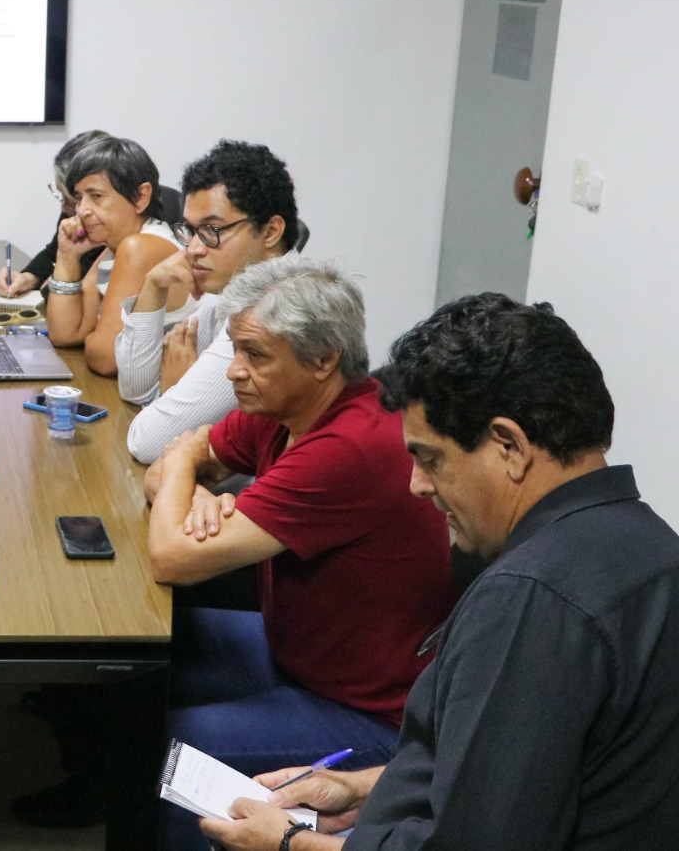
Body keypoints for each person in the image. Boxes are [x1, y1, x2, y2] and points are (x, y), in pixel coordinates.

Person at [203, 293, 679, 851]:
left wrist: (289, 844)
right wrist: (359, 790)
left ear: (509, 446)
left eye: (431, 459)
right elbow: (520, 779)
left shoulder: (530, 598)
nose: (418, 485)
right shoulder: (652, 549)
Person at [15, 256, 453, 840]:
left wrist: (183, 474)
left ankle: (141, 816)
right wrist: (191, 486)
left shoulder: (350, 445)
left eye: (255, 355)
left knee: (173, 742)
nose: (234, 372)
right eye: (237, 351)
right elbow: (164, 469)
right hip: (293, 650)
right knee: (128, 674)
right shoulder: (282, 409)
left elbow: (171, 549)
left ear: (323, 360)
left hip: (368, 711)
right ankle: (106, 793)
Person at [117, 139, 297, 463]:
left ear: (271, 231)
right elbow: (135, 391)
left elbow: (147, 444)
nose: (193, 249)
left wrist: (173, 389)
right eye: (190, 230)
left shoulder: (270, 311)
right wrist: (153, 285)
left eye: (212, 230)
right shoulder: (233, 285)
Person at [44, 136, 192, 376]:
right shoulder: (115, 245)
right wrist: (67, 257)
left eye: (96, 196)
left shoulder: (142, 247)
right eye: (80, 197)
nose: (82, 210)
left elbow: (105, 359)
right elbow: (65, 334)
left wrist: (93, 338)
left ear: (141, 196)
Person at [0, 130, 113, 298]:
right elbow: (53, 253)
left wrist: (66, 261)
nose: (64, 208)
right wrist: (28, 277)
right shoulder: (73, 212)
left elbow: (56, 295)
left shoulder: (124, 230)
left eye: (72, 199)